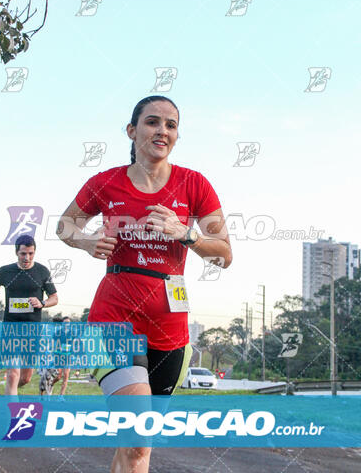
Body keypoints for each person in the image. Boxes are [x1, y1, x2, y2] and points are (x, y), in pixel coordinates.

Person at [57, 96, 232, 473]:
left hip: (171, 327)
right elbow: (65, 224)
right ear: (132, 130)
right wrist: (86, 241)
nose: (163, 131)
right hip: (114, 319)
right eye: (153, 122)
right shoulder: (105, 182)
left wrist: (185, 233)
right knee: (138, 439)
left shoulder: (195, 184)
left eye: (171, 125)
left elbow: (224, 254)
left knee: (136, 447)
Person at [0, 234, 58, 395]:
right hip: (11, 329)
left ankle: (8, 395)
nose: (27, 257)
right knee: (13, 374)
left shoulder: (42, 271)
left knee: (24, 378)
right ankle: (12, 415)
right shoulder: (5, 271)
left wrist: (42, 303)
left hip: (32, 331)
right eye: (23, 253)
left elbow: (54, 298)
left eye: (31, 253)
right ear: (16, 252)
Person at [39, 316, 71, 399]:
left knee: (66, 376)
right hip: (58, 356)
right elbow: (53, 343)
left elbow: (75, 343)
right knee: (58, 376)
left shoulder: (72, 333)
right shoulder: (58, 332)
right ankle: (51, 384)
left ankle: (61, 396)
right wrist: (57, 348)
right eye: (65, 323)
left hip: (68, 357)